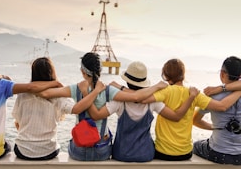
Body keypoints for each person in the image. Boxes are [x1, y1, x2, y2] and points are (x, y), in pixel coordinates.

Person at [37, 52, 173, 161]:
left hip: (79, 149)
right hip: (101, 150)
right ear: (100, 71)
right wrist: (156, 86)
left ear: (83, 72)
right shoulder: (109, 91)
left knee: (71, 141)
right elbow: (136, 97)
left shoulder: (76, 88)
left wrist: (55, 83)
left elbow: (44, 93)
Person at [85, 61, 199, 162]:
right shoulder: (153, 101)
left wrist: (88, 94)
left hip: (121, 154)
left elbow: (96, 115)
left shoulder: (119, 101)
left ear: (127, 81)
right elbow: (175, 116)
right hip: (146, 154)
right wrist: (191, 97)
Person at [141, 58, 241, 161]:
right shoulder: (194, 94)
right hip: (186, 153)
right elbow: (221, 106)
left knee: (196, 145)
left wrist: (156, 87)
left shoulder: (165, 91)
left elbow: (142, 99)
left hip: (164, 152)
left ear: (165, 76)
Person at [12, 57, 105, 160]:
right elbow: (76, 109)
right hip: (48, 151)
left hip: (23, 151)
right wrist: (95, 92)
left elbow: (18, 124)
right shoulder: (58, 96)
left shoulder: (23, 95)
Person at [193, 56, 241, 165]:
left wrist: (215, 127)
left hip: (218, 153)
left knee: (196, 145)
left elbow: (195, 120)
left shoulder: (212, 96)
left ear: (222, 74)